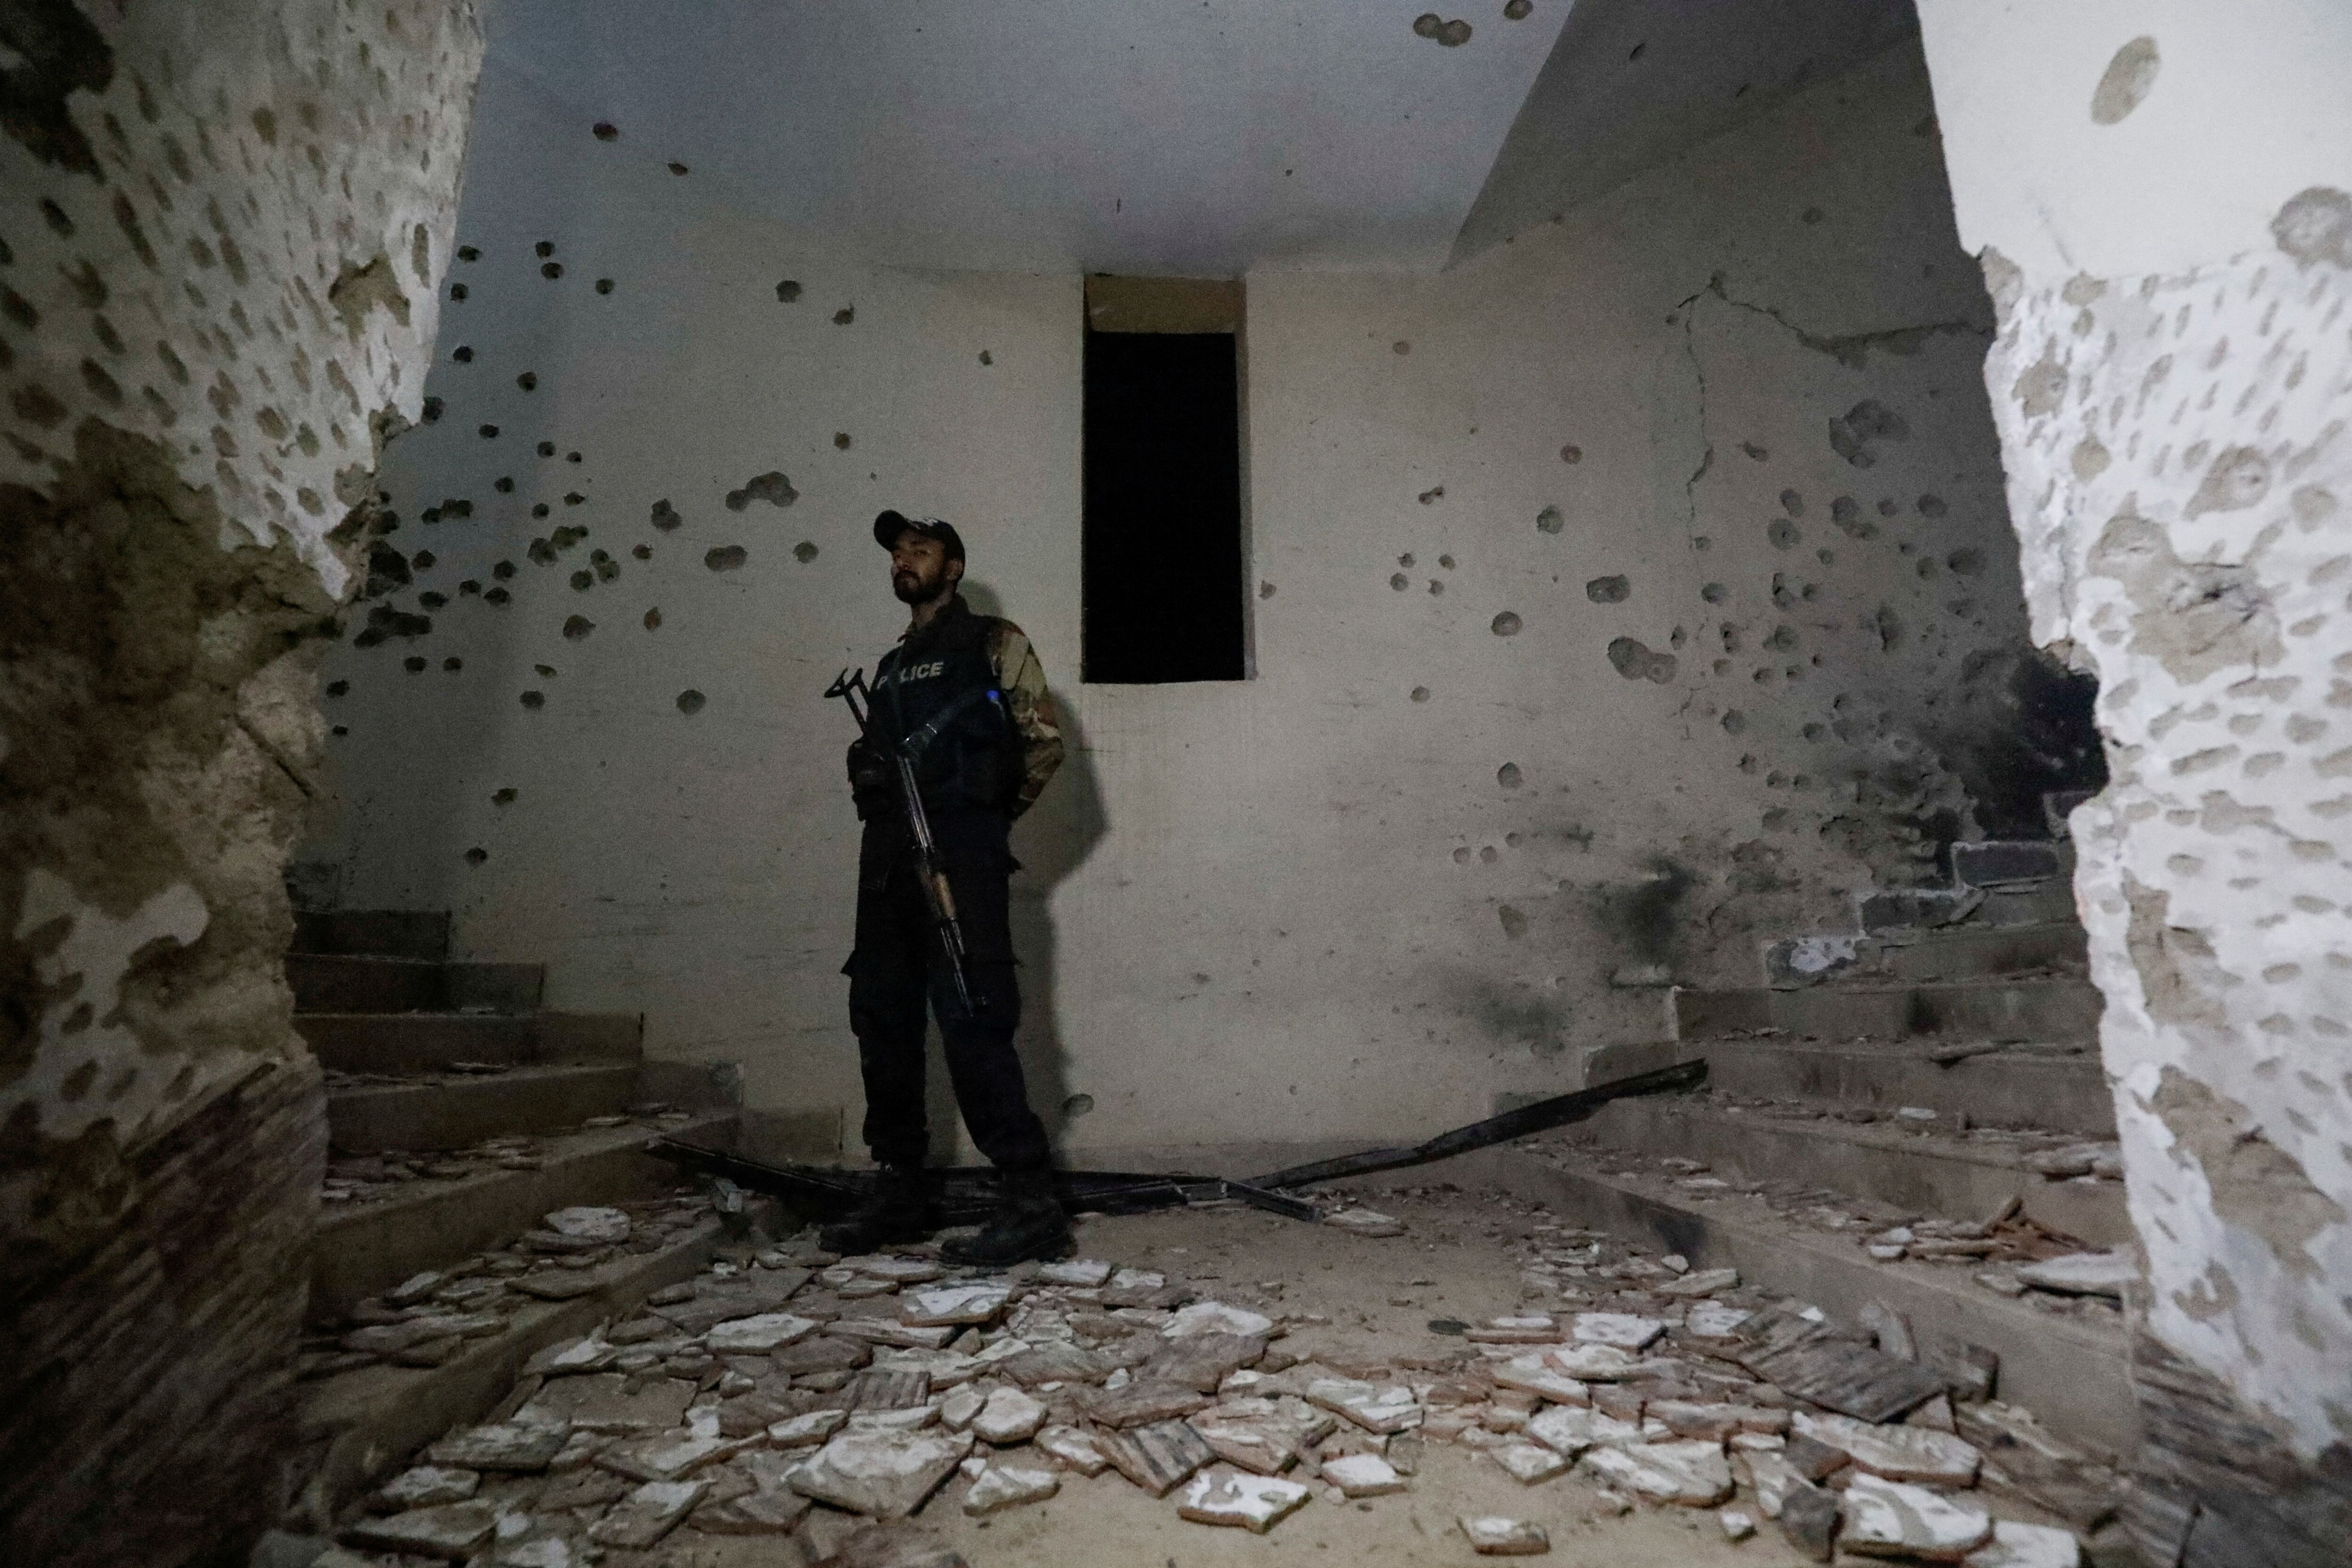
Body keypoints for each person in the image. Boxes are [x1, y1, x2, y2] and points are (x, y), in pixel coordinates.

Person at [822, 509, 1071, 1264]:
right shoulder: (890, 668)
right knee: (882, 1017)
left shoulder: (995, 640)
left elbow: (1043, 743)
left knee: (973, 1012)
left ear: (953, 567)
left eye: (921, 549)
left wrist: (980, 823)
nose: (905, 559)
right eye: (898, 552)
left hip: (959, 858)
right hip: (887, 865)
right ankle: (901, 1187)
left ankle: (1029, 1200)